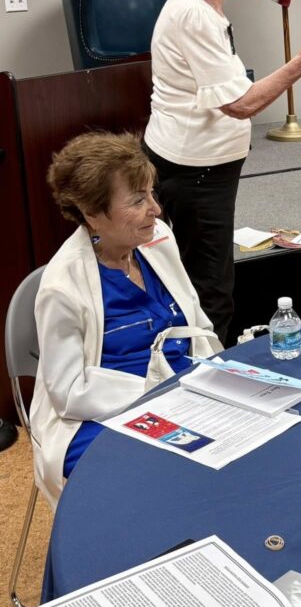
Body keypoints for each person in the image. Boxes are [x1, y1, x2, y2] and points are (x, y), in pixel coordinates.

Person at [143, 0, 301, 343]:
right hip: (195, 173)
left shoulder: (198, 5)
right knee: (210, 289)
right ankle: (205, 384)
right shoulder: (195, 16)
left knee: (207, 280)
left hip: (200, 167)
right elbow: (241, 103)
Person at [30, 133, 221, 508]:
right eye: (137, 201)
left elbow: (196, 322)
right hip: (102, 413)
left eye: (152, 194)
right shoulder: (62, 287)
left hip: (184, 390)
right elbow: (68, 393)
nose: (157, 210)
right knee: (157, 478)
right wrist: (163, 390)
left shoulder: (157, 239)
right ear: (91, 214)